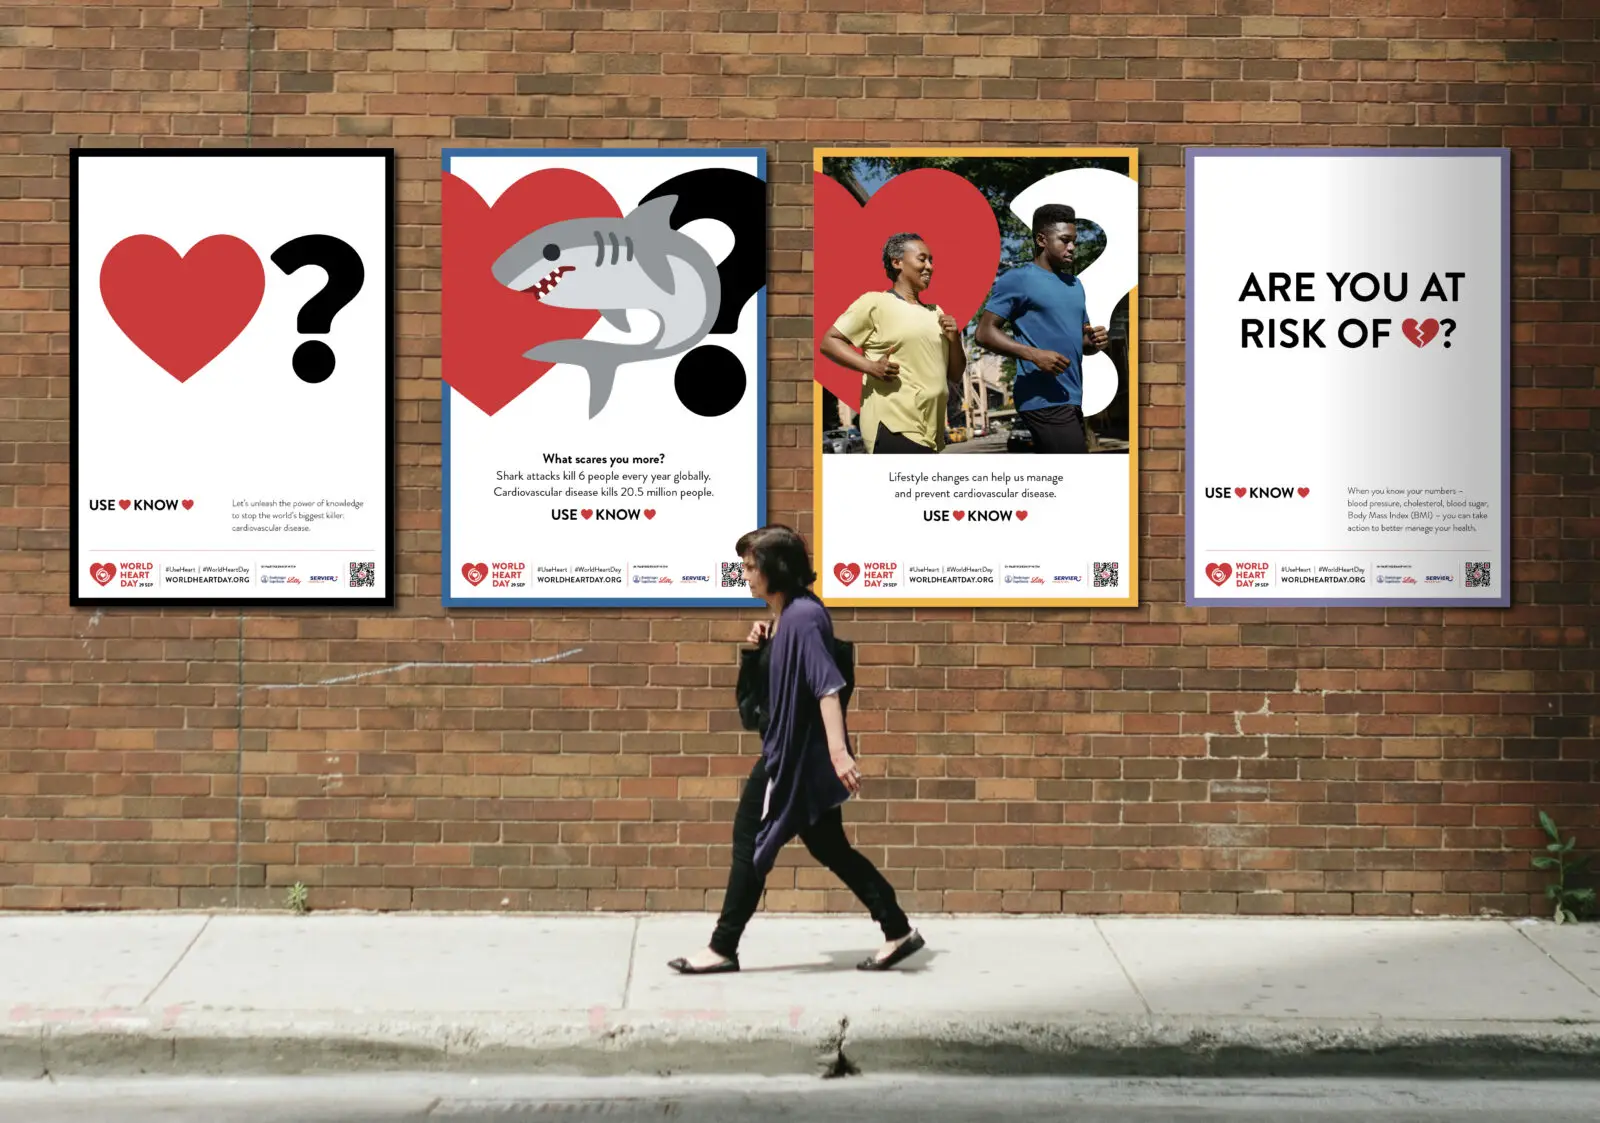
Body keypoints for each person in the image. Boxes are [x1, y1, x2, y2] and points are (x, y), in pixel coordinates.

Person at [668, 526, 925, 975]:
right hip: (798, 755)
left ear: (775, 569)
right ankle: (897, 929)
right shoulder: (789, 617)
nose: (744, 574)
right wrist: (761, 650)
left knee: (751, 843)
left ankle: (722, 947)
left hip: (791, 760)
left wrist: (839, 754)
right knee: (832, 848)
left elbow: (826, 685)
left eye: (751, 567)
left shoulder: (803, 617)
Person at [975, 204, 1111, 454]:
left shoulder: (1075, 284)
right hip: (1041, 398)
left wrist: (1095, 341)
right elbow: (983, 333)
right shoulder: (1018, 279)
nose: (1072, 247)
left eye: (1074, 241)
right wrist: (1034, 354)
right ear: (1041, 240)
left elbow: (1081, 343)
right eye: (1064, 240)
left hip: (1072, 397)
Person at [820, 233, 966, 454]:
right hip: (893, 426)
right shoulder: (875, 302)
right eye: (922, 259)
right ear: (897, 262)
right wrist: (871, 367)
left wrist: (954, 340)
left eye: (931, 260)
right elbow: (829, 342)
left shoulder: (936, 312)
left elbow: (955, 374)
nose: (929, 267)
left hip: (929, 430)